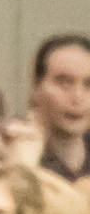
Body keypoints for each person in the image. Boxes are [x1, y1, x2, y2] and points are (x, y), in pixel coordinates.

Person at [33, 34, 90, 186]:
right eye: (64, 82)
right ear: (37, 87)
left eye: (88, 84)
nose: (77, 97)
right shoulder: (22, 159)